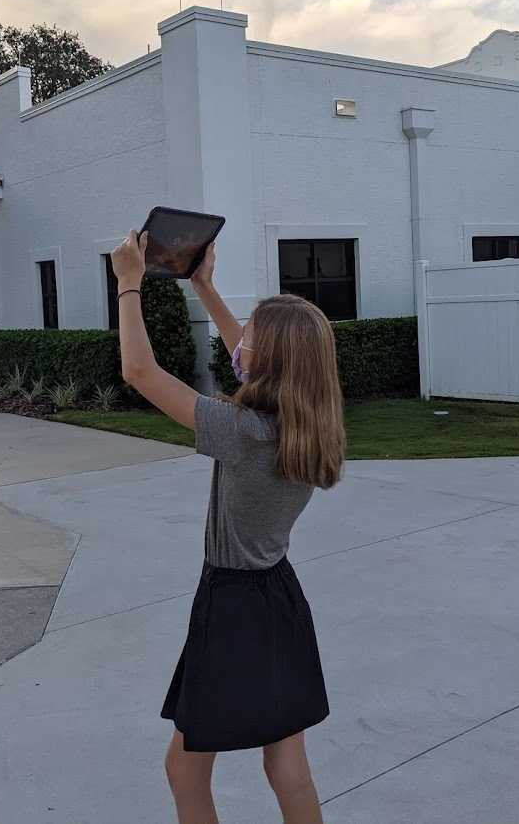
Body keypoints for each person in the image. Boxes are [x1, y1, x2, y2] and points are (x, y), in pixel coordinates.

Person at [110, 229, 346, 824]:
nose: (242, 350)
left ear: (272, 363)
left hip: (233, 603)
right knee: (286, 765)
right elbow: (247, 350)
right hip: (277, 597)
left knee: (184, 768)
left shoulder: (242, 433)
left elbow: (139, 371)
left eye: (254, 345)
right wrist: (205, 286)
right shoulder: (308, 426)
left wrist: (129, 284)